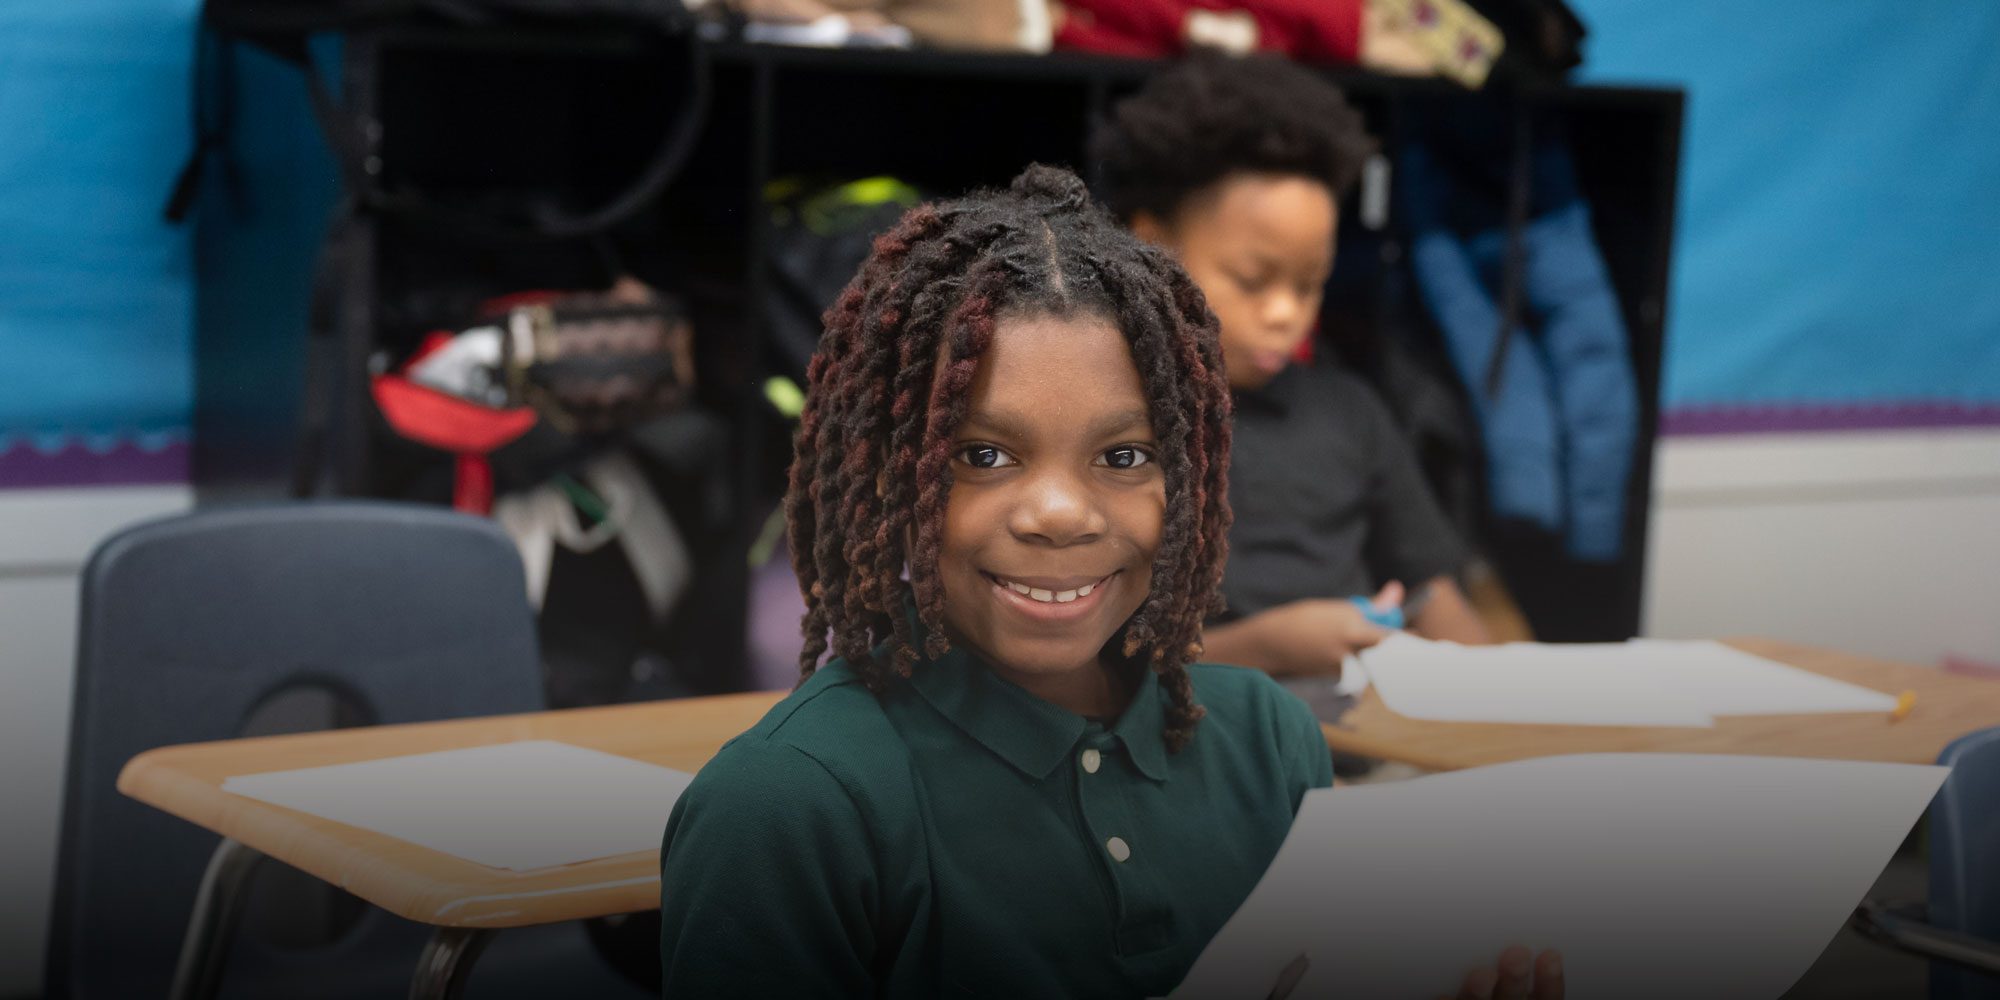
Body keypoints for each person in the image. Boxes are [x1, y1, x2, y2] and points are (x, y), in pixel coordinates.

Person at [657, 165, 1559, 998]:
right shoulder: (787, 806)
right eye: (983, 454)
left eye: (1125, 455)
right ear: (889, 473)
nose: (1061, 512)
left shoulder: (1268, 742)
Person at [1093, 52, 1493, 681]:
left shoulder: (1349, 413)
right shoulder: (1100, 426)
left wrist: (1510, 698)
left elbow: (1431, 591)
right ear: (1151, 247)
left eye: (1310, 285)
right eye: (1254, 280)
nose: (1286, 313)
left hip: (1354, 748)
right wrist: (1267, 648)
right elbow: (1085, 667)